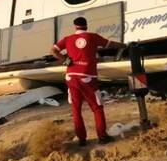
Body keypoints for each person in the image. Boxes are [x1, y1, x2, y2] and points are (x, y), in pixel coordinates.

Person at [51, 17, 124, 146]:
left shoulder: (67, 39)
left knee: (76, 109)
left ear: (75, 26)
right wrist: (124, 45)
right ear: (86, 26)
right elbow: (110, 44)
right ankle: (102, 137)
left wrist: (64, 60)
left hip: (71, 76)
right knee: (97, 107)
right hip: (87, 77)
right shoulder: (93, 37)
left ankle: (82, 140)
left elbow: (53, 50)